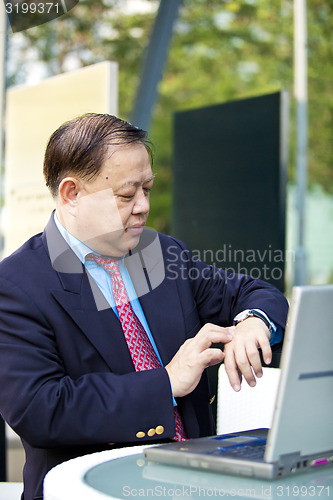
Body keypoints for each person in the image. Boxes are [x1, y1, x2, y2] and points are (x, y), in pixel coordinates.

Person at [0, 113, 288, 500]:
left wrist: (254, 321)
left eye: (147, 189)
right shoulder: (16, 285)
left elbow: (254, 292)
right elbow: (42, 410)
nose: (142, 207)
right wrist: (166, 382)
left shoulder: (164, 253)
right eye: (126, 194)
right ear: (71, 194)